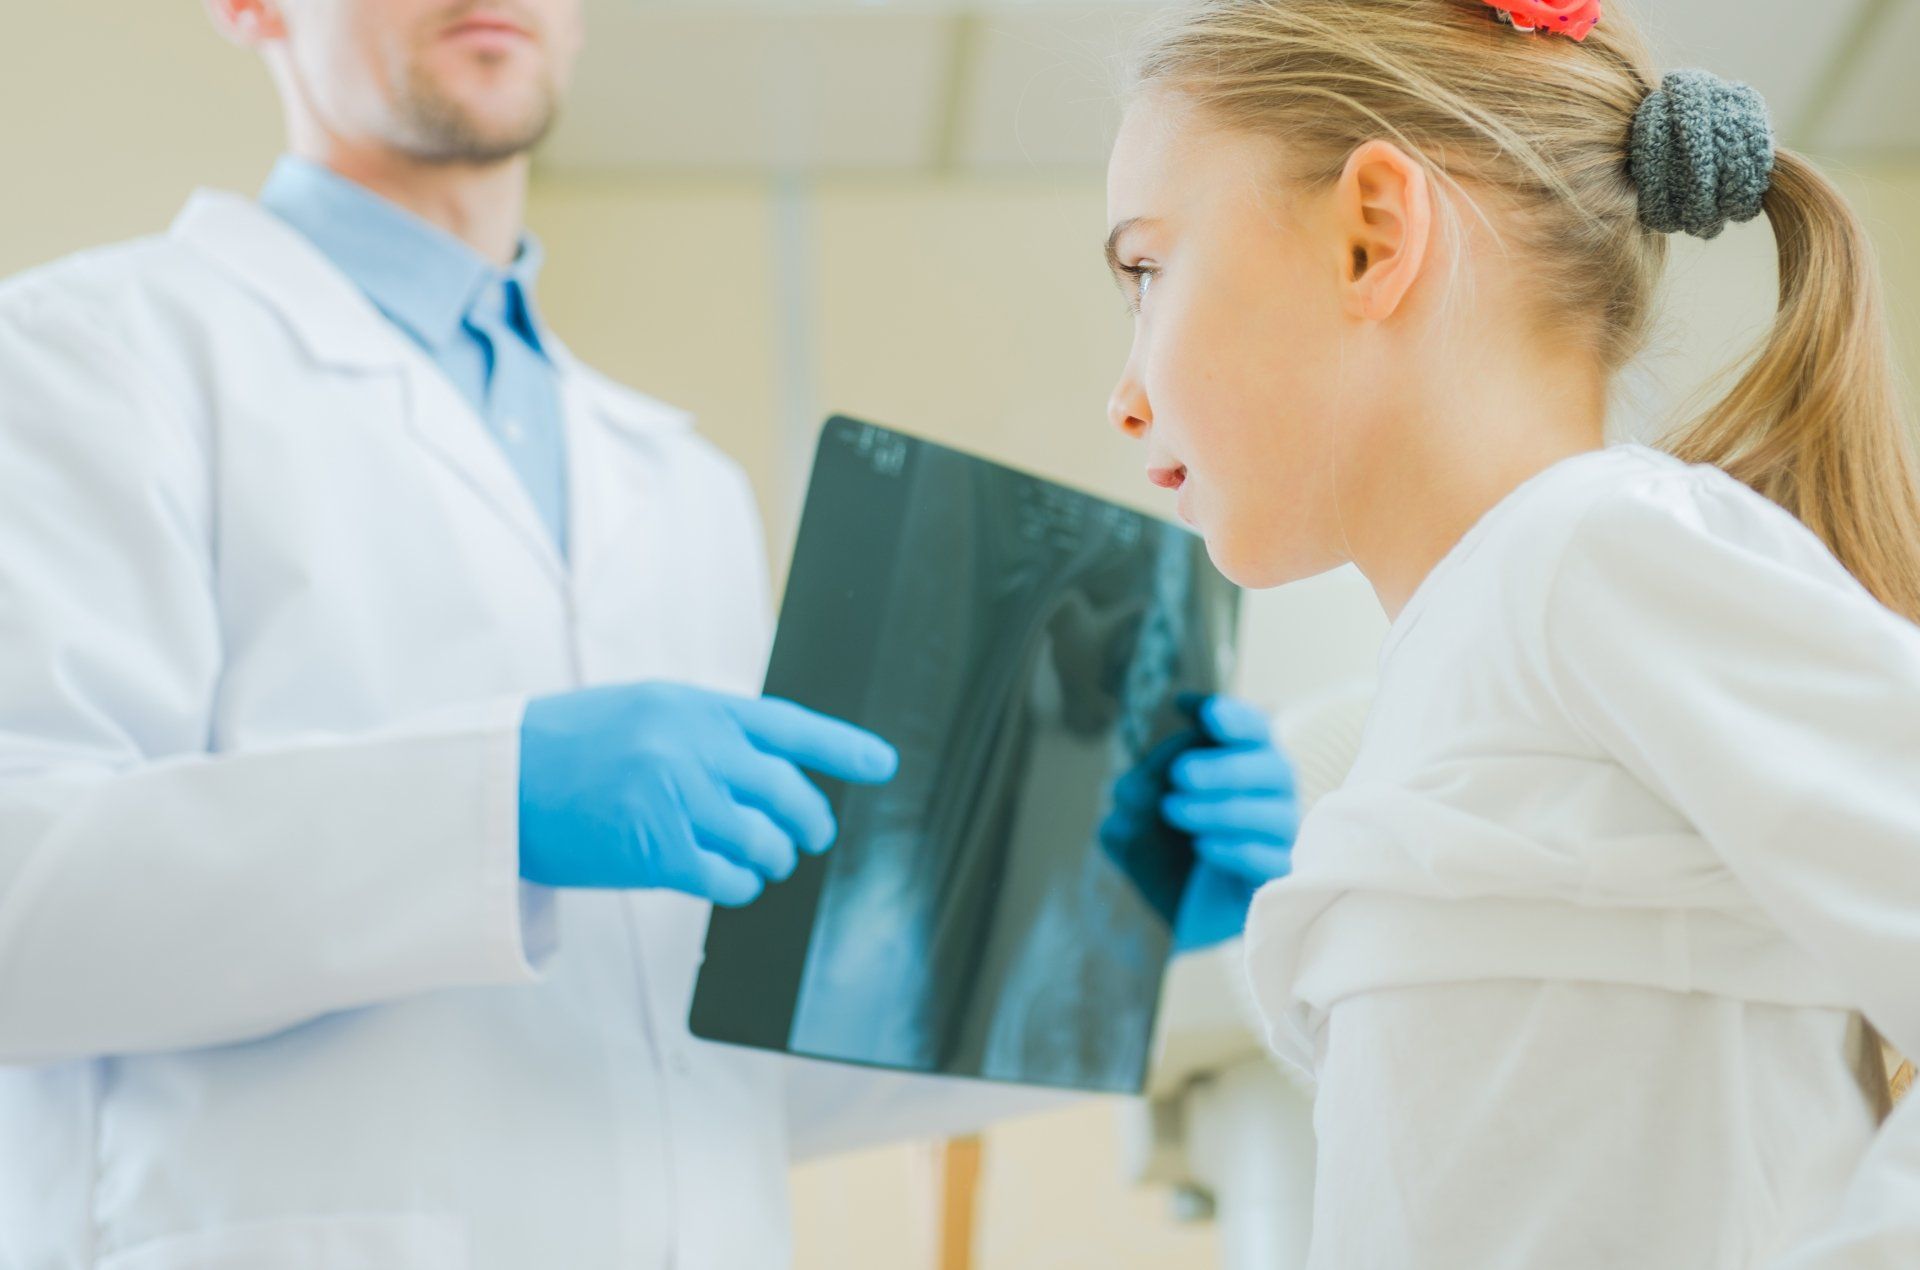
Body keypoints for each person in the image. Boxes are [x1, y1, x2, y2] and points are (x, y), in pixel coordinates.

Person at [0, 1, 1298, 1266]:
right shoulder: (86, 361)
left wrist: (1096, 931)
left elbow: (695, 1078)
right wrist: (491, 801)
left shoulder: (682, 484)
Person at [1103, 0, 1920, 1266]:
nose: (1126, 391)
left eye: (1147, 270)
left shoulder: (1590, 551)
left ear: (1374, 237)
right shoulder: (1482, 637)